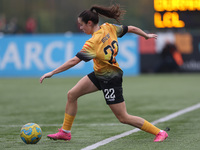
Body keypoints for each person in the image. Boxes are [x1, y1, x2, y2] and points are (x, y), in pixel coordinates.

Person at [40, 4, 168, 142]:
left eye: (81, 25)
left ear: (89, 23)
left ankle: (159, 132)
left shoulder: (93, 42)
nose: (81, 28)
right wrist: (146, 35)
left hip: (111, 78)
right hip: (99, 73)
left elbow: (73, 61)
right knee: (72, 95)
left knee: (123, 117)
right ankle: (65, 132)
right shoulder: (108, 27)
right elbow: (132, 28)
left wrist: (52, 72)